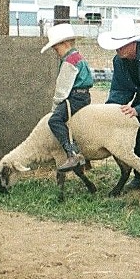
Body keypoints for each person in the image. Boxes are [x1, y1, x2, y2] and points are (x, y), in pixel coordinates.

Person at [98, 17, 140, 188]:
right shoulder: (119, 60)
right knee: (134, 127)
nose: (118, 49)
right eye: (116, 44)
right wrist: (110, 111)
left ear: (133, 42)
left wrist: (139, 109)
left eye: (121, 44)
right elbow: (120, 89)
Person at [40, 23, 94, 171]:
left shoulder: (69, 61)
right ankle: (85, 157)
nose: (56, 52)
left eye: (56, 48)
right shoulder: (78, 57)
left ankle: (72, 154)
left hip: (74, 97)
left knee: (55, 121)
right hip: (84, 96)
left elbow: (62, 89)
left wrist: (54, 108)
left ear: (64, 43)